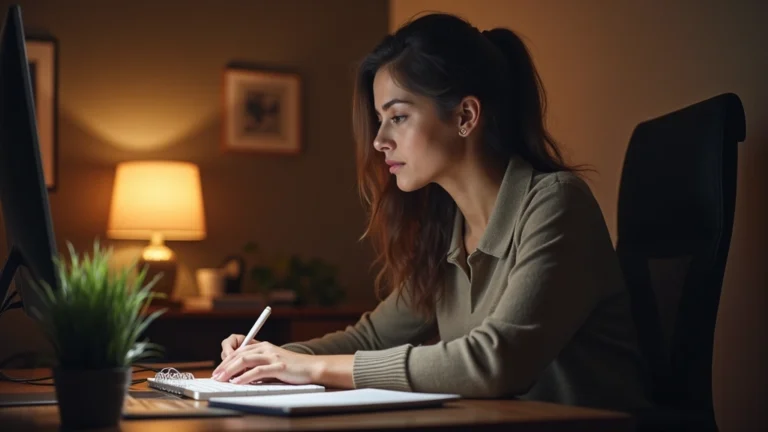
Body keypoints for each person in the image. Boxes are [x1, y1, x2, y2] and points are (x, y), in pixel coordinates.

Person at [212, 12, 650, 412]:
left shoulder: (557, 204)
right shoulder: (446, 230)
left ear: (465, 116)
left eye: (398, 117)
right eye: (379, 119)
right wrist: (269, 358)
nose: (379, 140)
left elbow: (495, 361)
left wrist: (309, 368)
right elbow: (371, 337)